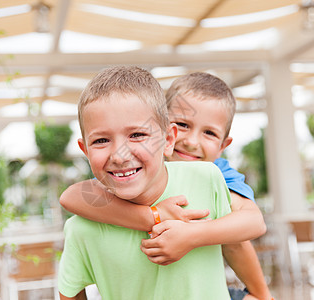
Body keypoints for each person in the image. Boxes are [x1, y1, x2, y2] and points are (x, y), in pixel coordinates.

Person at [58, 66, 266, 300]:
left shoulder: (213, 176)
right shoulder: (120, 177)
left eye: (136, 135)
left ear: (167, 138)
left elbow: (240, 240)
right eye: (185, 125)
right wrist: (153, 216)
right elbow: (71, 197)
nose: (190, 142)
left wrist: (262, 295)